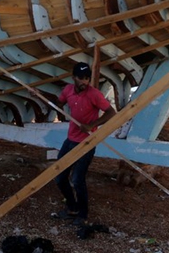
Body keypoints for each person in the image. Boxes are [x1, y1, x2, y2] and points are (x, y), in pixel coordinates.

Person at [53, 62, 115, 226]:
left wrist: (92, 124)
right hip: (71, 139)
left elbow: (111, 113)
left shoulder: (94, 94)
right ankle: (72, 208)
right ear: (73, 77)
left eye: (87, 78)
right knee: (59, 177)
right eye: (80, 78)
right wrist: (39, 96)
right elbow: (58, 104)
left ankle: (83, 214)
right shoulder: (68, 90)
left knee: (77, 179)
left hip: (87, 142)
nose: (84, 82)